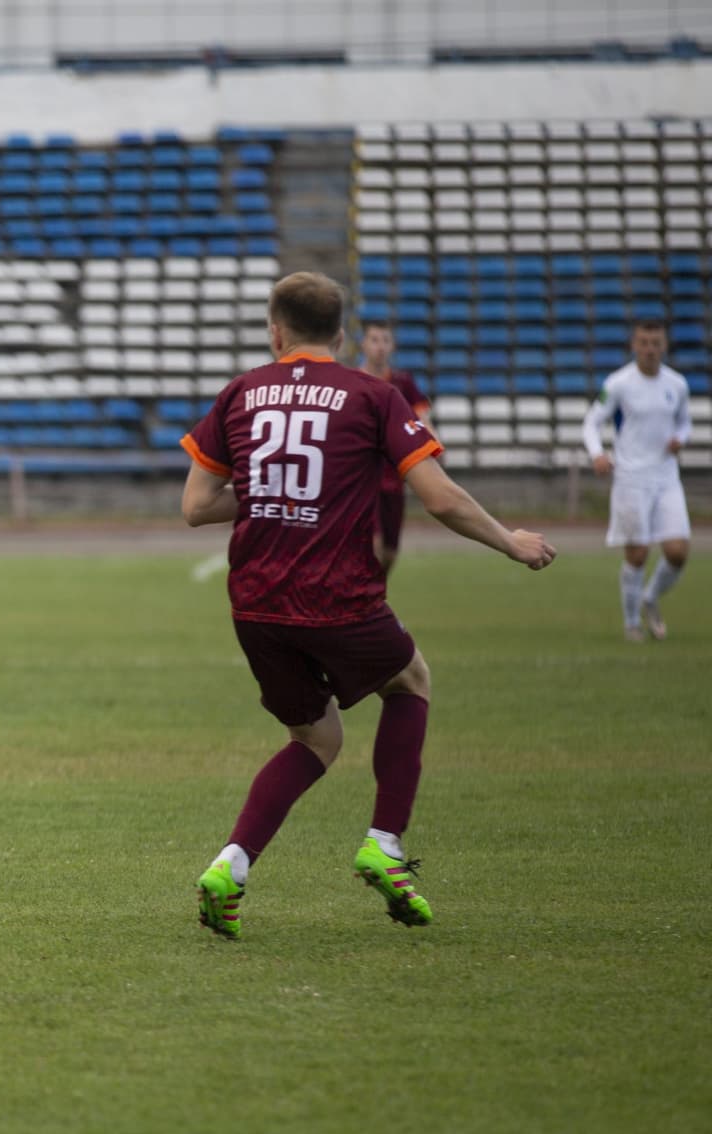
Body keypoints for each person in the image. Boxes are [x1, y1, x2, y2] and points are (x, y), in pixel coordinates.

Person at [179, 272, 554, 940]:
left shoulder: (240, 392)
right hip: (334, 594)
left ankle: (229, 866)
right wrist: (509, 541)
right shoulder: (371, 395)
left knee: (316, 737)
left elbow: (196, 506)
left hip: (255, 603)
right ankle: (383, 842)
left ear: (275, 331)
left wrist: (272, 492)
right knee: (411, 681)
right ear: (343, 334)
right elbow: (439, 498)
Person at [581, 320, 692, 641]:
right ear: (634, 345)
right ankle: (632, 623)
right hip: (631, 478)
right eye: (644, 342)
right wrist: (597, 453)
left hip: (667, 477)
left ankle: (650, 597)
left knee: (677, 552)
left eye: (656, 343)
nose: (650, 349)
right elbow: (592, 422)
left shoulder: (677, 385)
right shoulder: (618, 384)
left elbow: (684, 423)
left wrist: (680, 438)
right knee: (638, 553)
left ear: (665, 346)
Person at [357, 320, 433, 574]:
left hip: (393, 478)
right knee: (372, 546)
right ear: (363, 344)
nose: (379, 346)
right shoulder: (353, 382)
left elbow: (423, 420)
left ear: (393, 346)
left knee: (389, 552)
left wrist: (432, 443)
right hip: (361, 478)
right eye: (374, 340)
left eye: (385, 340)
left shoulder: (403, 384)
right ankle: (366, 605)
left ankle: (372, 598)